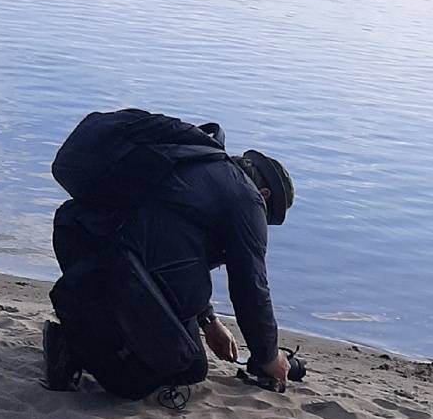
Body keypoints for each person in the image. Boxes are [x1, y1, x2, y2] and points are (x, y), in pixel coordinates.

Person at [42, 110, 295, 403]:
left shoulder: (195, 163)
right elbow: (250, 286)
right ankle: (72, 346)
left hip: (82, 237)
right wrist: (269, 357)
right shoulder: (247, 199)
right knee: (184, 363)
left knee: (175, 345)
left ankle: (76, 334)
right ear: (264, 194)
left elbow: (176, 249)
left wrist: (209, 321)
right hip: (123, 268)